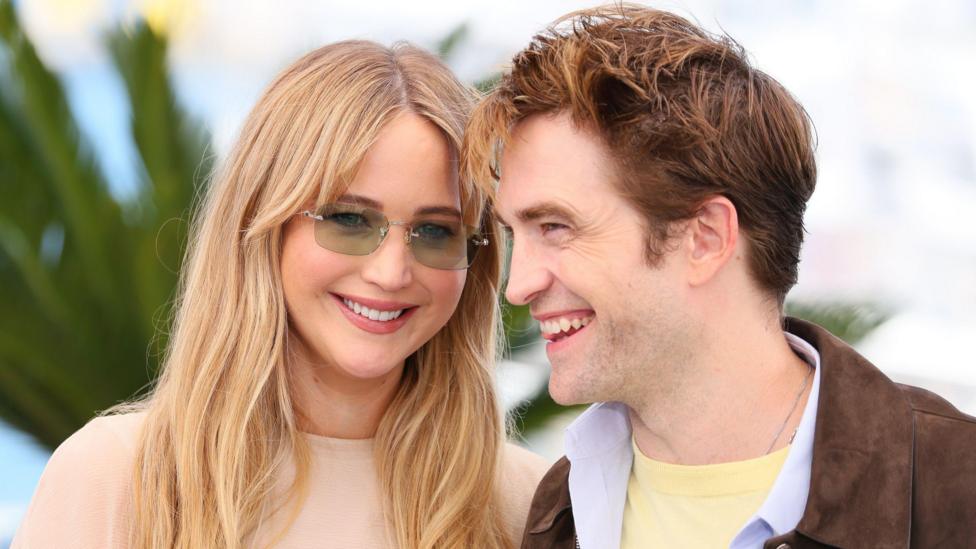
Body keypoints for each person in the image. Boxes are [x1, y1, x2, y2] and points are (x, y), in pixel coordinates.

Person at [462, 5, 976, 549]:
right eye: (516, 234)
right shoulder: (556, 513)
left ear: (705, 237)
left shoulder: (954, 490)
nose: (518, 286)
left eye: (555, 227)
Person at [14, 40, 548, 549]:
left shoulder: (528, 505)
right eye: (348, 219)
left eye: (435, 231)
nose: (391, 273)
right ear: (263, 226)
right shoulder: (116, 476)